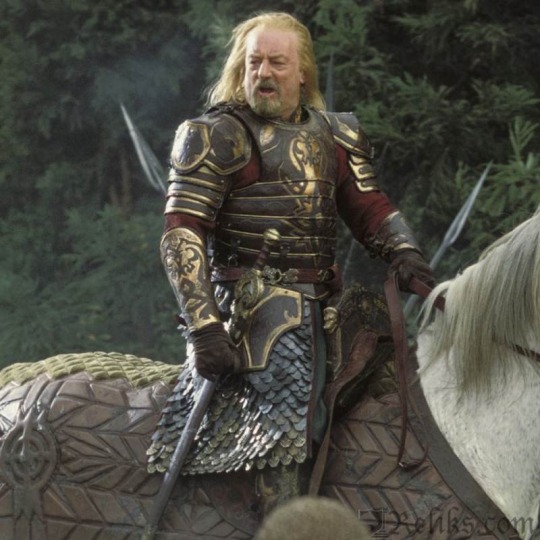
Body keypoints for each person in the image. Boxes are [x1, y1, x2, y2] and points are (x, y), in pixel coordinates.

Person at [146, 11, 433, 515]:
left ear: (303, 73)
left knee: (402, 384)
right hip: (251, 315)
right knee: (285, 433)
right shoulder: (216, 134)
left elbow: (369, 208)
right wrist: (205, 326)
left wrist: (404, 252)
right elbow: (182, 232)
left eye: (277, 63)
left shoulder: (337, 135)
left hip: (327, 308)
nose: (264, 73)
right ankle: (280, 522)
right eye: (254, 62)